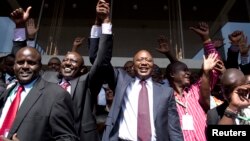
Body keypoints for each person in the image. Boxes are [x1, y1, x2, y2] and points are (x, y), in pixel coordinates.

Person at [42, 1, 113, 140]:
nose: (68, 63)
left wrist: (102, 23)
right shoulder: (47, 77)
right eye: (65, 60)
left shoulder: (86, 83)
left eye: (74, 61)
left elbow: (100, 61)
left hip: (76, 136)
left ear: (81, 70)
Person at [0, 47, 78, 141]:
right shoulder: (8, 92)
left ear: (40, 66)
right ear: (14, 66)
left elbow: (68, 138)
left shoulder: (56, 95)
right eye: (20, 62)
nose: (25, 66)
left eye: (31, 63)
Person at [161, 22, 221, 141]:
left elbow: (215, 64)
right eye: (184, 70)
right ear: (172, 74)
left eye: (188, 70)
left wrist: (206, 39)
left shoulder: (195, 90)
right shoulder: (164, 98)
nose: (188, 73)